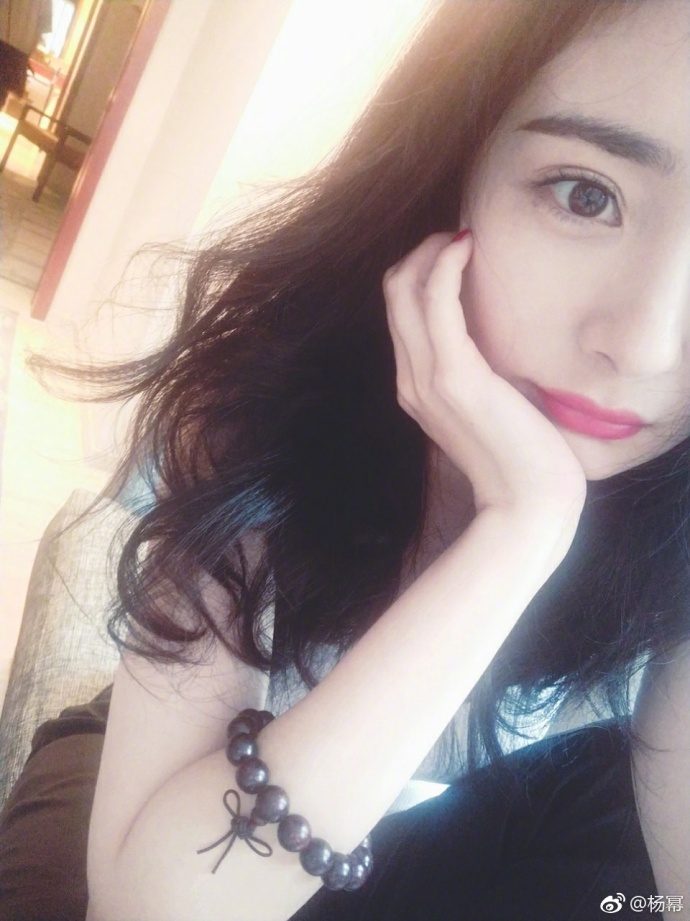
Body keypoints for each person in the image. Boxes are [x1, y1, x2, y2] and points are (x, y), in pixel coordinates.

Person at [1, 0, 689, 918]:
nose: (644, 345)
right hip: (168, 782)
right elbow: (152, 904)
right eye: (585, 194)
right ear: (453, 168)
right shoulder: (273, 402)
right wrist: (522, 530)